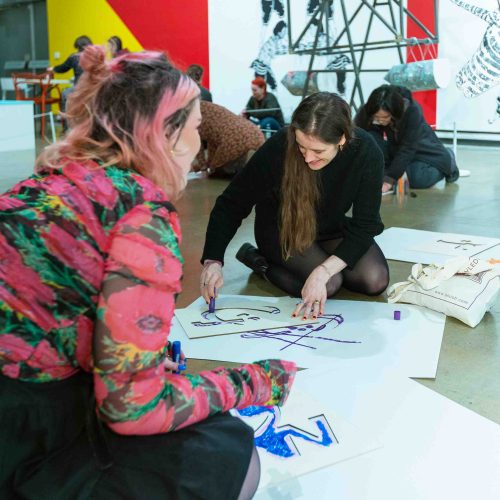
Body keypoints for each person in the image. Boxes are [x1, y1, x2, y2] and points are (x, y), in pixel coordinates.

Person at [0, 45, 296, 499]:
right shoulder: (140, 213)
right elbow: (132, 408)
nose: (202, 146)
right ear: (168, 133)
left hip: (22, 401)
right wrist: (250, 382)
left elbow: (55, 315)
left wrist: (143, 356)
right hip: (30, 435)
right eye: (198, 128)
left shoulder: (41, 182)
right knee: (227, 449)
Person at [201, 92, 389, 320]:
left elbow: (365, 224)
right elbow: (232, 202)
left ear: (342, 139)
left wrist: (323, 269)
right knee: (331, 285)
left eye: (318, 151)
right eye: (302, 147)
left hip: (329, 227)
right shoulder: (279, 145)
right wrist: (213, 259)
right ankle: (260, 262)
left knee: (374, 279)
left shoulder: (366, 152)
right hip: (282, 231)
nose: (308, 158)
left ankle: (316, 268)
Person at [354, 84, 460, 192]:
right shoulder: (367, 110)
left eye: (385, 117)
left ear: (394, 112)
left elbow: (408, 148)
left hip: (424, 152)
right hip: (396, 149)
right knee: (371, 138)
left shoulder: (413, 111)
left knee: (416, 179)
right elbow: (358, 137)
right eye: (376, 117)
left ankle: (449, 160)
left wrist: (389, 180)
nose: (380, 121)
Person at [194, 101, 265, 176]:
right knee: (240, 171)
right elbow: (213, 139)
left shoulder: (191, 115)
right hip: (254, 131)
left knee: (217, 173)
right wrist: (209, 164)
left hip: (234, 137)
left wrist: (203, 165)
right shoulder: (207, 107)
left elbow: (197, 143)